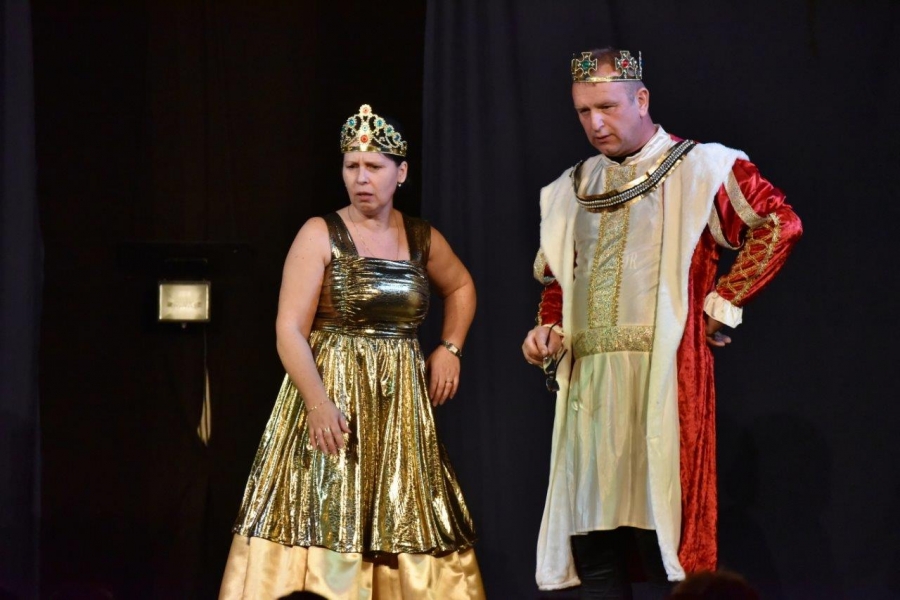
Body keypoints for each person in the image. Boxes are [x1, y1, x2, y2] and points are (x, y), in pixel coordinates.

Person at [521, 49, 802, 598]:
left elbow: (778, 223)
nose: (595, 123)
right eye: (583, 111)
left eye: (607, 107)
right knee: (596, 544)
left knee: (666, 541)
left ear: (641, 99)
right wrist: (548, 331)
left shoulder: (701, 168)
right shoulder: (571, 187)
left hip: (664, 380)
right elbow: (558, 278)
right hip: (591, 391)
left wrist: (722, 303)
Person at [220, 104, 485, 599]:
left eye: (374, 167)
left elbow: (461, 285)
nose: (361, 178)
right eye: (352, 166)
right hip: (332, 397)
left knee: (404, 511)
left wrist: (450, 347)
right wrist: (317, 403)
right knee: (325, 506)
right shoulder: (319, 233)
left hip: (400, 407)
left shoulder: (422, 238)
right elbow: (289, 329)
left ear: (400, 173)